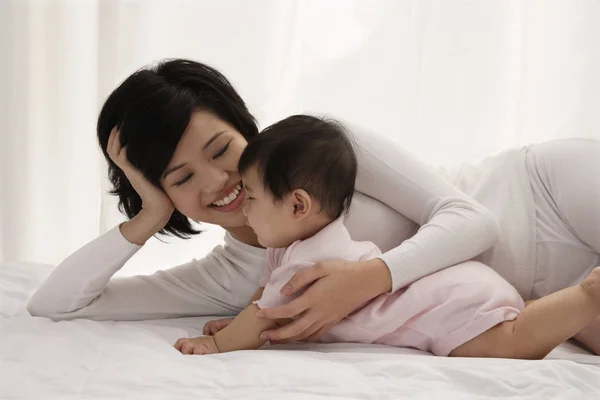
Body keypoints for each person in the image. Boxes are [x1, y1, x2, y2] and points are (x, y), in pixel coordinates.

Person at [26, 58, 600, 355]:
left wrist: (368, 279)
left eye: (222, 149)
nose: (220, 181)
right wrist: (148, 214)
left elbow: (472, 218)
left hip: (545, 192)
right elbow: (58, 306)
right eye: (180, 179)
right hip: (550, 301)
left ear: (245, 126)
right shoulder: (227, 278)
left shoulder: (320, 150)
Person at [173, 115, 600, 359]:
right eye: (181, 177)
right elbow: (264, 304)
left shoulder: (310, 249)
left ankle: (588, 295)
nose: (241, 206)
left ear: (298, 205)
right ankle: (579, 303)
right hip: (479, 286)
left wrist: (214, 344)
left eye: (250, 198)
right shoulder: (294, 245)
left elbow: (262, 317)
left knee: (509, 343)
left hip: (543, 192)